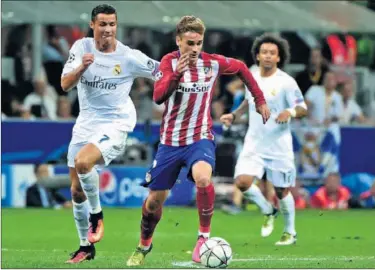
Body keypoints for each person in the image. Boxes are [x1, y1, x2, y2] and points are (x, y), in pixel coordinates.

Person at [126, 15, 270, 266]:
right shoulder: (168, 63)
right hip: (170, 142)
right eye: (190, 43)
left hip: (200, 137)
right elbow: (159, 96)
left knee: (203, 178)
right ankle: (143, 245)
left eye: (199, 43)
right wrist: (176, 75)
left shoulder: (211, 63)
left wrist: (259, 99)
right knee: (153, 204)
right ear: (178, 41)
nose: (194, 49)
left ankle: (203, 239)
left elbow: (242, 68)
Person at [60, 4, 159, 264]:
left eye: (112, 24)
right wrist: (82, 67)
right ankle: (85, 247)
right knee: (76, 191)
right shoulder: (81, 48)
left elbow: (162, 72)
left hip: (116, 122)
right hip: (86, 123)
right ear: (93, 25)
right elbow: (64, 85)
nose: (107, 29)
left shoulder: (128, 56)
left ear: (117, 26)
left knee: (84, 162)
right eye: (102, 24)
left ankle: (97, 216)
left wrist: (187, 74)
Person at [220, 33, 308, 245]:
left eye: (272, 53)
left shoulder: (286, 82)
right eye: (264, 52)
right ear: (257, 56)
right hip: (255, 142)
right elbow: (248, 102)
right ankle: (268, 210)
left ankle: (290, 232)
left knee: (281, 190)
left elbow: (302, 107)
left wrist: (290, 113)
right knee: (242, 182)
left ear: (279, 58)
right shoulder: (250, 75)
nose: (268, 56)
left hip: (279, 144)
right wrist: (234, 115)